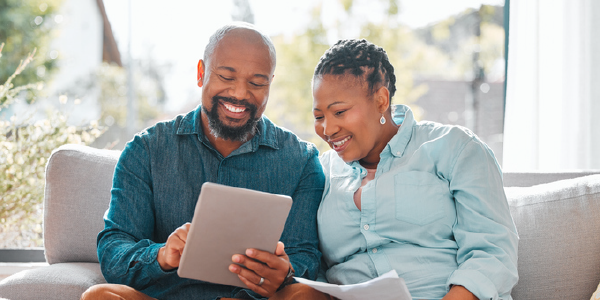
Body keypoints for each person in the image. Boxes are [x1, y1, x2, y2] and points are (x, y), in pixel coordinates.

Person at [81, 22, 328, 300]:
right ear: (201, 73)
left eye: (257, 83)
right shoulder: (146, 149)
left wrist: (284, 272)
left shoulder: (301, 160)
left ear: (270, 84)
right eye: (226, 76)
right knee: (98, 296)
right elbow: (115, 247)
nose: (239, 94)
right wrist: (161, 255)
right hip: (168, 297)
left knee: (308, 295)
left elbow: (305, 254)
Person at [310, 39, 519, 300]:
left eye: (339, 112)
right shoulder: (320, 171)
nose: (327, 130)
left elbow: (494, 252)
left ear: (381, 100)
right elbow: (313, 265)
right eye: (319, 117)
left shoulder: (455, 148)